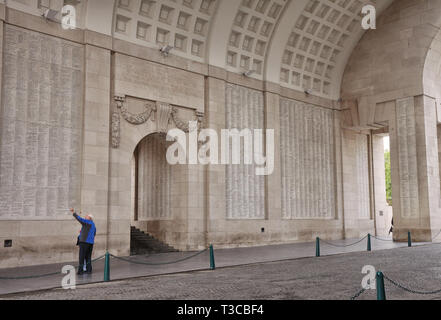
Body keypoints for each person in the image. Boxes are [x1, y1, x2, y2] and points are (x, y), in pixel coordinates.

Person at [70, 208, 96, 275]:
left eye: (86, 216)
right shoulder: (93, 225)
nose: (85, 216)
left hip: (84, 242)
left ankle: (80, 271)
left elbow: (80, 219)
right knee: (88, 257)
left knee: (81, 257)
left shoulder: (87, 222)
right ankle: (89, 270)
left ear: (90, 218)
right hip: (90, 243)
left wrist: (74, 213)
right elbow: (94, 234)